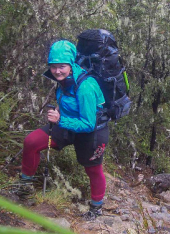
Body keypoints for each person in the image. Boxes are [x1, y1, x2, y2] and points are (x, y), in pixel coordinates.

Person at [20, 40, 109, 220]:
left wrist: (61, 119)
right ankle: (24, 187)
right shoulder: (63, 80)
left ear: (71, 64)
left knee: (92, 169)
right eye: (53, 67)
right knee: (31, 142)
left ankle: (96, 208)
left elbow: (88, 124)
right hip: (66, 125)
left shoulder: (86, 86)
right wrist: (60, 115)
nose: (57, 71)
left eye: (62, 66)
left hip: (92, 132)